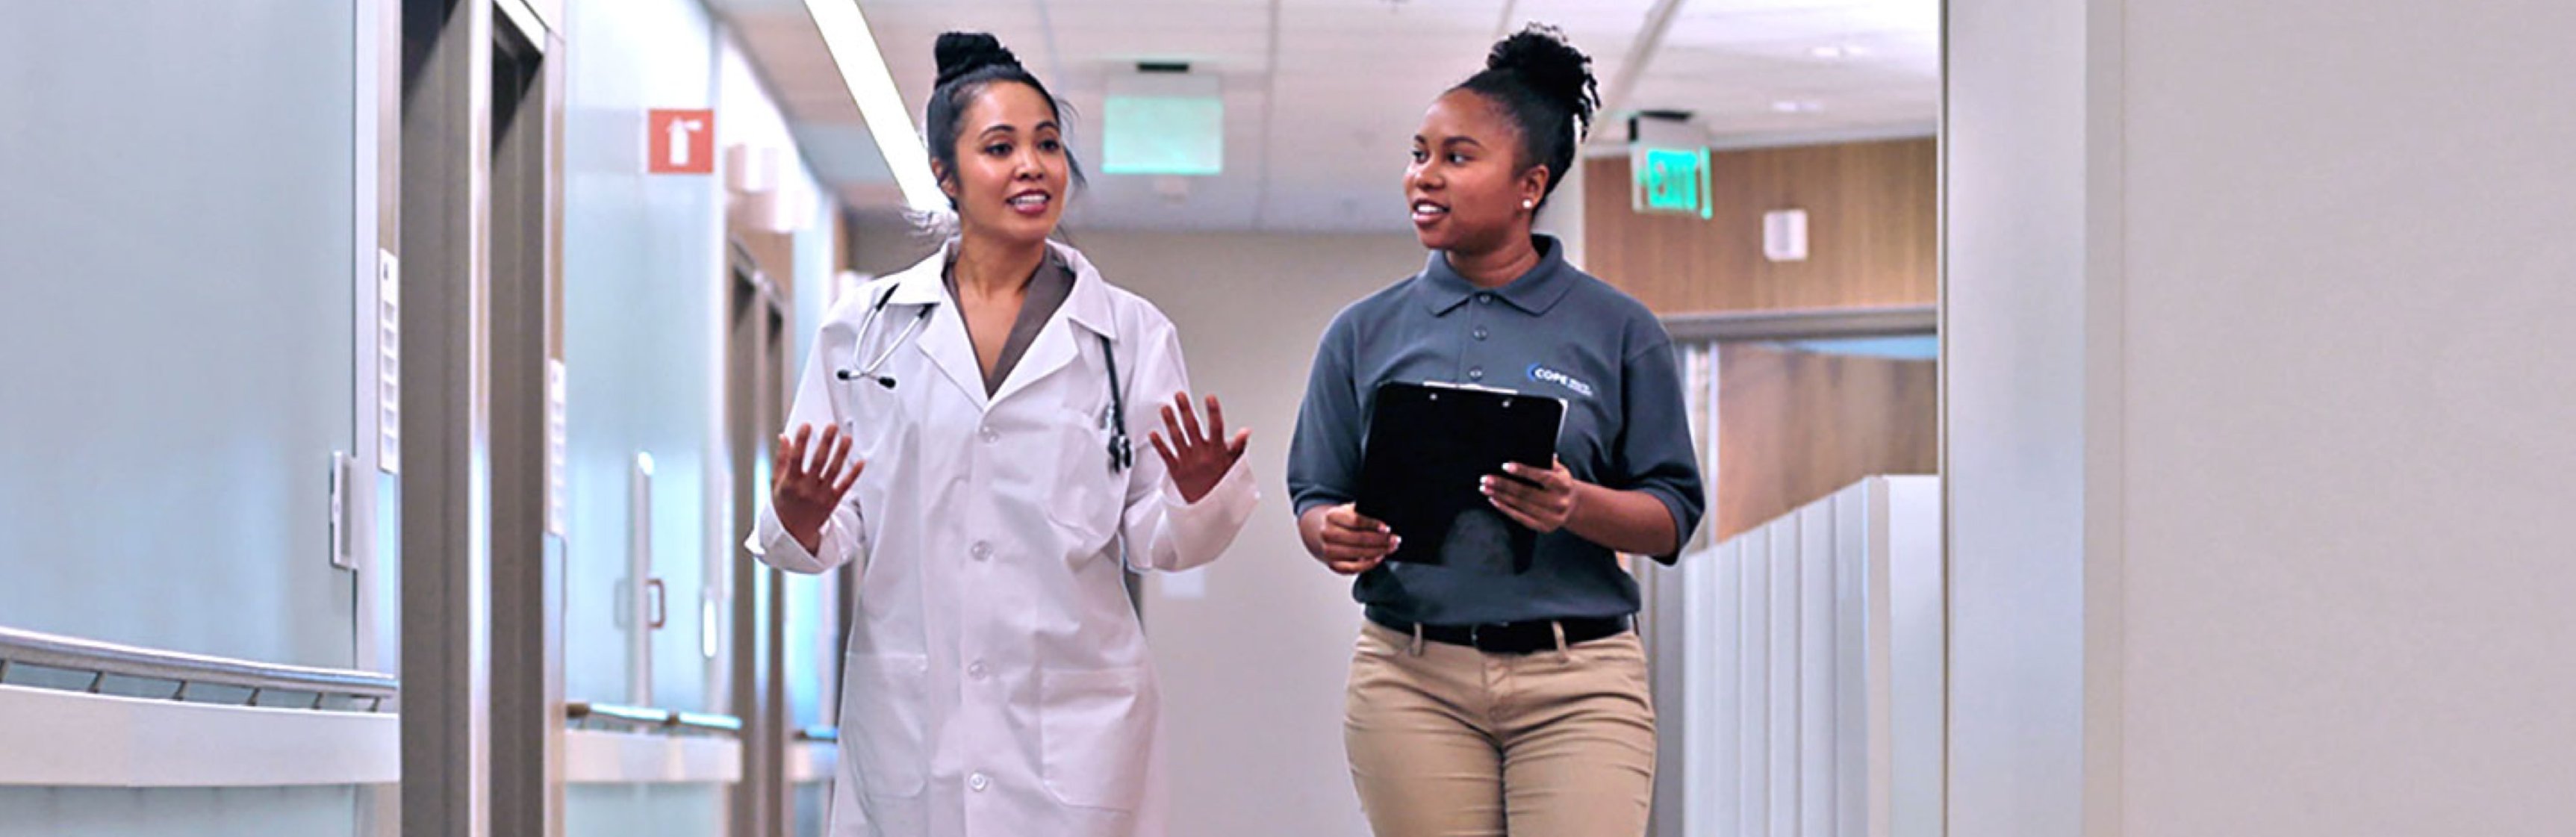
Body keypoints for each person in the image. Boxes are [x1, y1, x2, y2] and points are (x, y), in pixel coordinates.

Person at [747, 31, 1259, 837]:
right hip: (913, 719)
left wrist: (1196, 497)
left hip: (1080, 725)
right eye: (1000, 146)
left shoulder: (1129, 335)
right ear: (945, 175)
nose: (1033, 165)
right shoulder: (863, 331)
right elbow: (822, 528)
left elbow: (1154, 538)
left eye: (1048, 144)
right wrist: (800, 512)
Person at [1286, 23, 1707, 837]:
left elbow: (1670, 516)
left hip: (1581, 678)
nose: (1424, 177)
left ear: (1530, 184)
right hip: (1410, 675)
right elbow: (1316, 493)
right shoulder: (1362, 331)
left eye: (1457, 156)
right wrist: (1331, 532)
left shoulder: (1619, 329)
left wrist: (1572, 504)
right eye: (1419, 153)